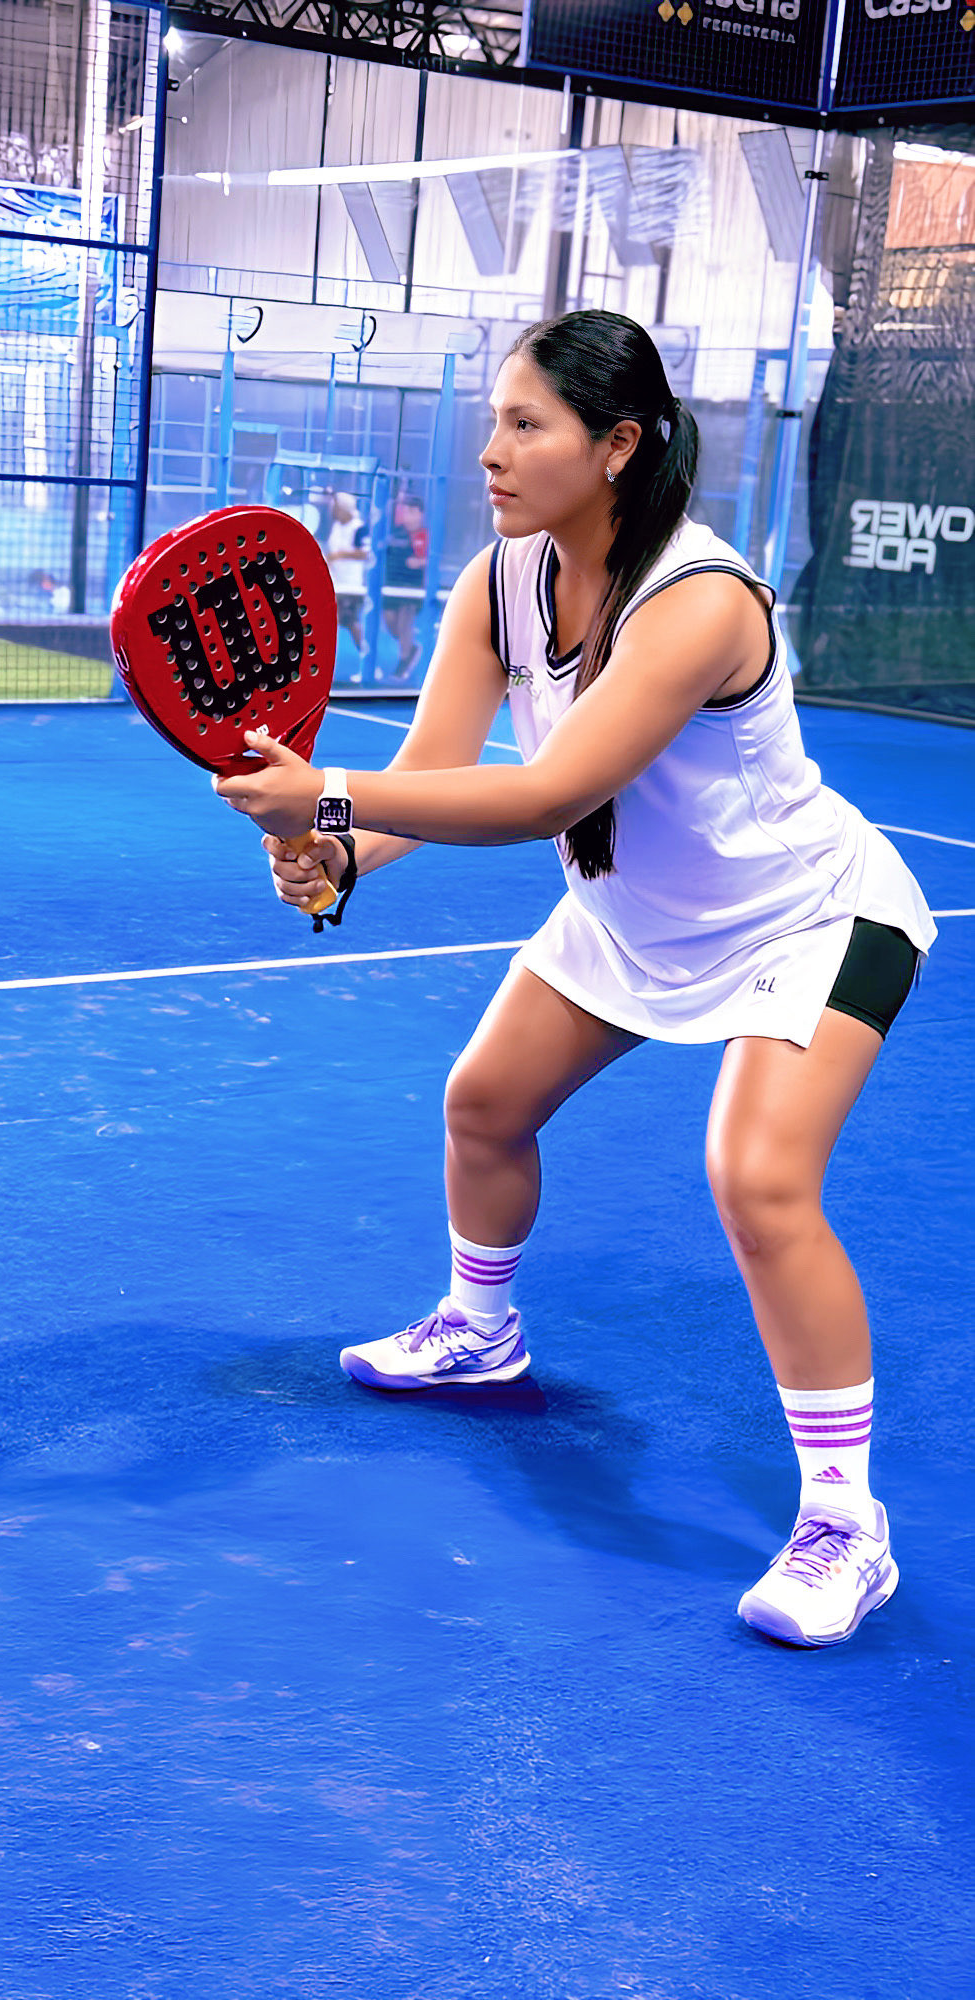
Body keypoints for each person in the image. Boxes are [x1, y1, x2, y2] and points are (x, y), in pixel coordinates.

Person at [214, 310, 935, 1650]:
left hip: (808, 920)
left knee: (760, 1179)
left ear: (615, 446)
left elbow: (550, 789)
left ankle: (848, 1522)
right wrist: (339, 853)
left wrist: (328, 793)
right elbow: (434, 776)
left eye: (525, 425)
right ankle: (479, 1331)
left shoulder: (702, 599)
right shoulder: (499, 581)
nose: (490, 451)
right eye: (492, 421)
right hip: (631, 914)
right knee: (484, 1102)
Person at [382, 491, 429, 680]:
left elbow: (431, 560)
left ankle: (403, 662)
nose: (408, 516)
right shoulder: (397, 534)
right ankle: (410, 648)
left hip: (412, 588)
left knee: (404, 624)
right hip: (392, 585)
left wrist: (421, 563)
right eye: (406, 512)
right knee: (391, 623)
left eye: (412, 512)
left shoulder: (426, 536)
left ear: (420, 514)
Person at [324, 490, 369, 656]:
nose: (333, 512)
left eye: (336, 508)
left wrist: (340, 555)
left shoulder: (359, 528)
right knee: (331, 619)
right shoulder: (336, 526)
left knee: (350, 620)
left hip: (351, 584)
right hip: (335, 582)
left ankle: (366, 655)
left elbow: (364, 553)